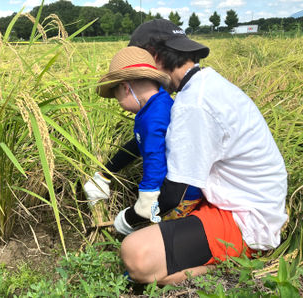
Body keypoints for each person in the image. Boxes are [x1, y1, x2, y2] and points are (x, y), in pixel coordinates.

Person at [116, 19, 288, 284]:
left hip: (245, 220)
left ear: (157, 58)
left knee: (135, 254)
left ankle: (234, 263)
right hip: (237, 201)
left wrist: (130, 217)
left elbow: (175, 193)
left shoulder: (193, 104)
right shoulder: (203, 85)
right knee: (152, 258)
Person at [84, 46, 203, 235]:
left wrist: (140, 210)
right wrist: (105, 174)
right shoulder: (162, 102)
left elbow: (155, 161)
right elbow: (138, 145)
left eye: (118, 99)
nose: (122, 107)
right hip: (183, 189)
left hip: (182, 198)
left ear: (125, 88)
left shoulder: (152, 119)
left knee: (146, 236)